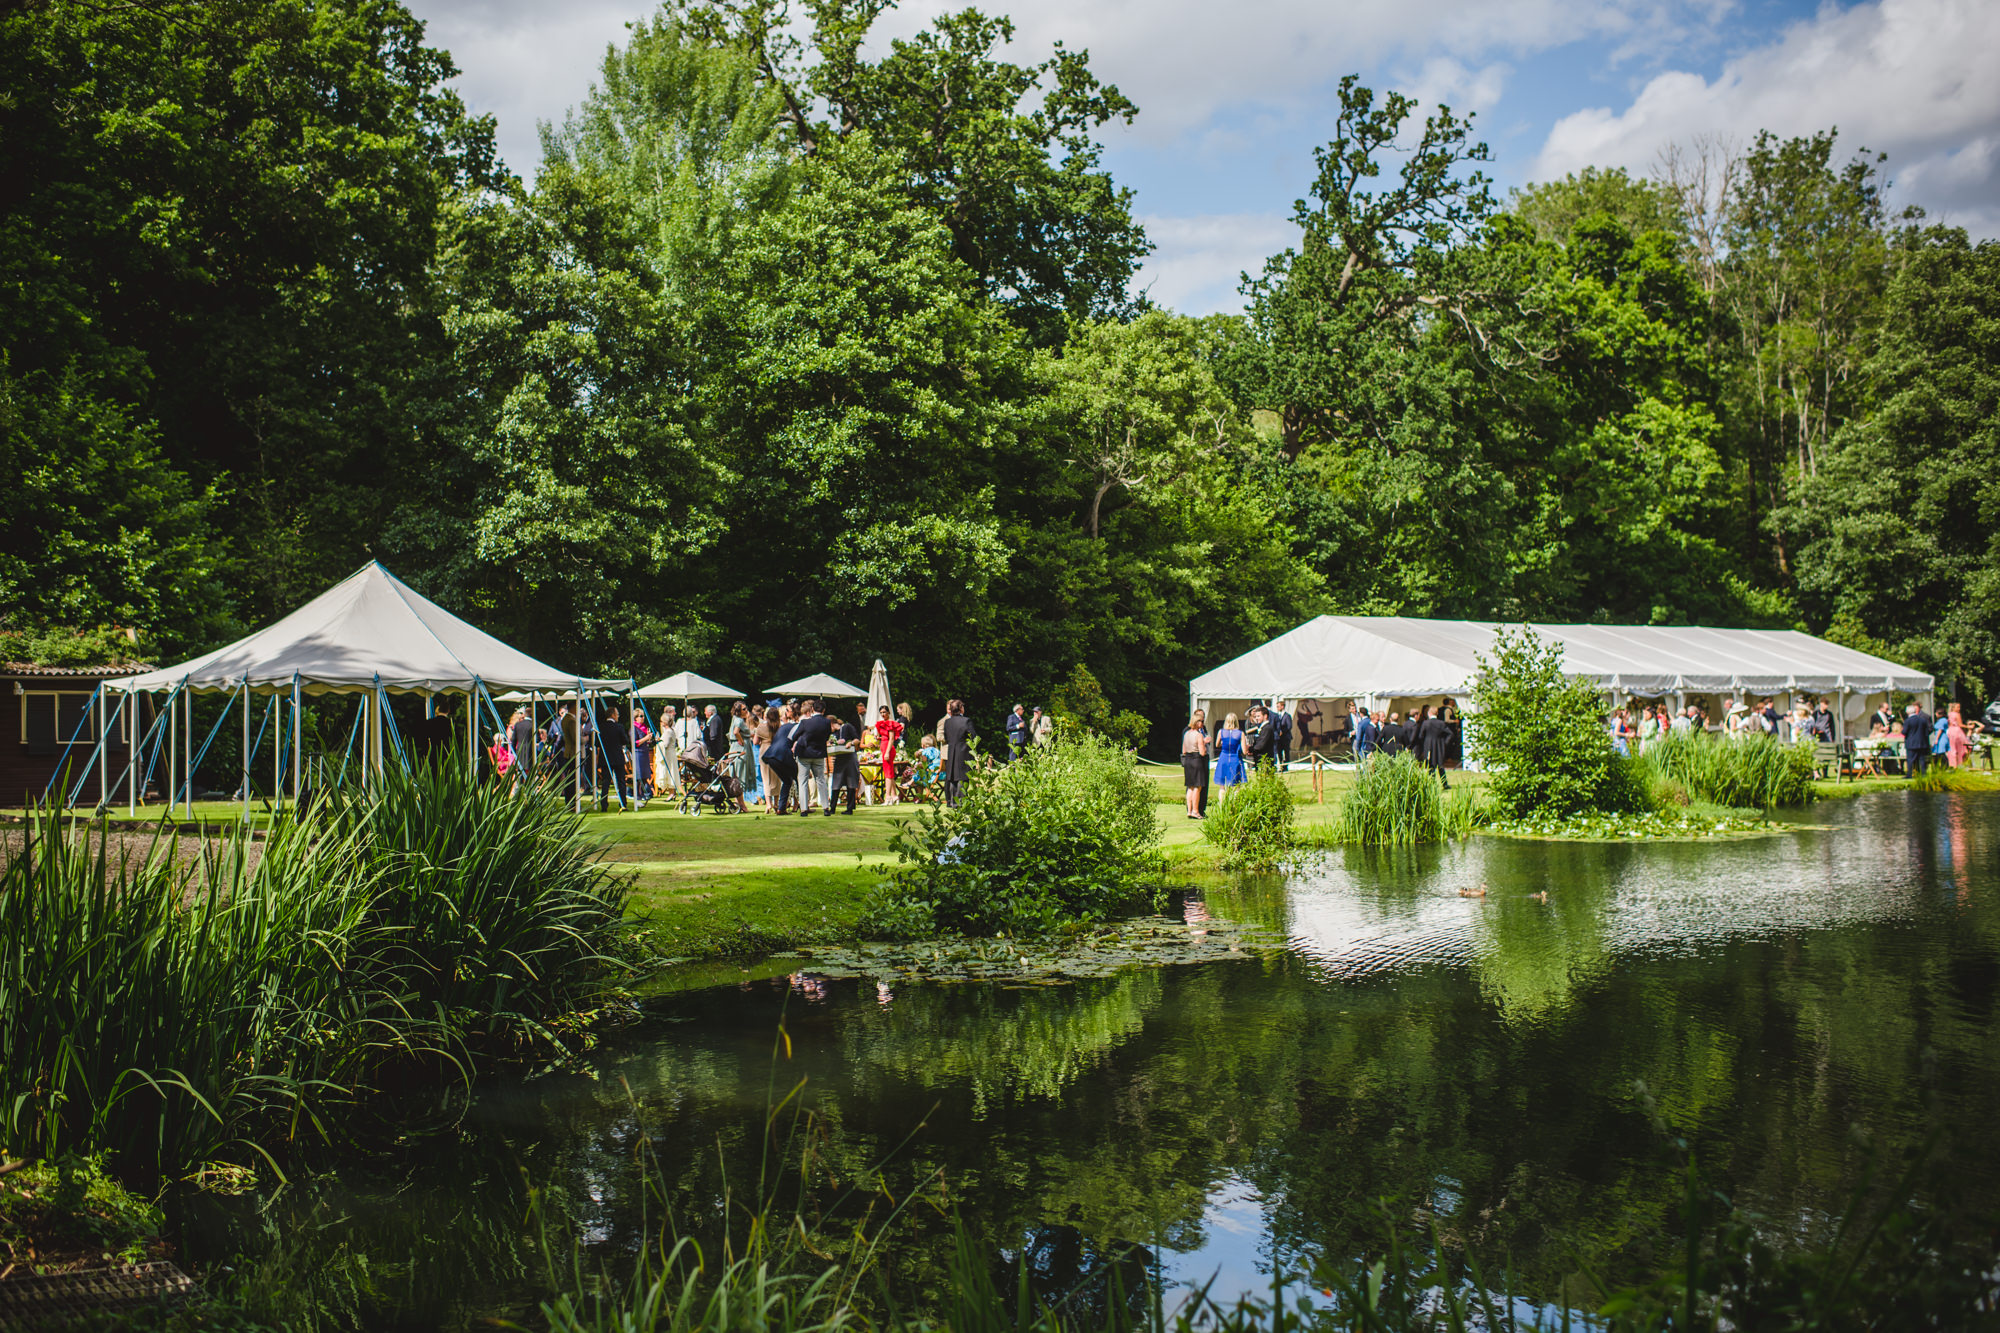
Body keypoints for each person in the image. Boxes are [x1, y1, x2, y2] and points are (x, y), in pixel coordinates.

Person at [791, 700, 832, 814]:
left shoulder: (805, 722)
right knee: (821, 780)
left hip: (804, 754)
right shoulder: (827, 722)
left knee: (803, 781)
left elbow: (795, 736)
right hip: (819, 754)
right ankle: (825, 807)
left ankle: (804, 808)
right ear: (823, 710)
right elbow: (827, 736)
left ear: (812, 709)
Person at [940, 699, 977, 807]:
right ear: (961, 709)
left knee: (952, 777)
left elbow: (946, 737)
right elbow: (973, 737)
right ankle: (962, 801)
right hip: (964, 751)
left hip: (951, 751)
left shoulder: (947, 722)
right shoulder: (966, 721)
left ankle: (952, 801)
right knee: (963, 777)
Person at [826, 707, 862, 814]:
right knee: (836, 783)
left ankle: (850, 808)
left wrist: (850, 743)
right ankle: (832, 808)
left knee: (851, 783)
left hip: (850, 758)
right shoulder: (833, 734)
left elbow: (857, 740)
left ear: (832, 723)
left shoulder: (847, 727)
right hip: (839, 759)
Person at [763, 705, 798, 814]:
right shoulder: (797, 727)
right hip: (782, 756)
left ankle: (781, 808)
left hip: (770, 756)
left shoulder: (783, 727)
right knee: (799, 777)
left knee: (787, 781)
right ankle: (803, 806)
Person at [725, 702, 754, 813]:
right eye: (744, 709)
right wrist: (741, 741)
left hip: (735, 747)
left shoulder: (736, 719)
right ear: (738, 710)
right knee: (740, 776)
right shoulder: (738, 720)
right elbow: (736, 732)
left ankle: (739, 803)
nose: (747, 711)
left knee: (736, 775)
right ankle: (742, 804)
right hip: (740, 749)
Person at [1180, 711, 1210, 819]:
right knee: (1198, 786)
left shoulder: (1186, 734)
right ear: (1196, 723)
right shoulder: (1198, 735)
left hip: (1187, 760)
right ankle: (1195, 811)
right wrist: (1205, 747)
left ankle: (1189, 809)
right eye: (1201, 721)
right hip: (1197, 760)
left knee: (1190, 787)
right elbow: (1202, 752)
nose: (1202, 723)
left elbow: (1183, 750)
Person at [874, 705, 904, 803]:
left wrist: (887, 752)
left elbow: (891, 739)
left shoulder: (890, 723)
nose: (883, 714)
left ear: (888, 712)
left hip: (888, 748)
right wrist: (879, 738)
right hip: (884, 746)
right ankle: (894, 795)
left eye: (884, 712)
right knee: (889, 773)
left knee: (888, 774)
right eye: (881, 712)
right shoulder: (882, 723)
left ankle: (888, 797)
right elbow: (885, 737)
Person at [1417, 706, 1453, 787]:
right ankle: (1444, 783)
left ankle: (1431, 783)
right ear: (1437, 713)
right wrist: (1445, 743)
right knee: (1440, 765)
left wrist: (1425, 742)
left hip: (1429, 746)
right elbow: (1450, 733)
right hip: (1439, 746)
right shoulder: (1441, 723)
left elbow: (1421, 735)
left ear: (1429, 713)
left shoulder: (1426, 723)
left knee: (1430, 765)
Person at [507, 707, 538, 795]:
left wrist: (513, 752)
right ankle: (532, 792)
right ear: (532, 714)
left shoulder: (518, 724)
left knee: (519, 772)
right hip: (530, 751)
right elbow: (537, 738)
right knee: (530, 772)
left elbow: (513, 740)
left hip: (519, 751)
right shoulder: (533, 725)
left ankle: (516, 792)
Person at [1213, 712, 1246, 788]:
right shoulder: (1241, 733)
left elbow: (1217, 745)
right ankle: (1234, 800)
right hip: (1235, 758)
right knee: (1236, 785)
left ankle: (1222, 800)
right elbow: (1244, 751)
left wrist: (1223, 743)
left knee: (1222, 786)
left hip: (1224, 757)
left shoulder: (1221, 732)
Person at [655, 706, 681, 798]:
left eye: (661, 721)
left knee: (671, 772)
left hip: (669, 755)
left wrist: (658, 741)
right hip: (670, 754)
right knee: (670, 772)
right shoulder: (669, 731)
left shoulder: (668, 732)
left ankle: (672, 793)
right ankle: (671, 793)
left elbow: (664, 744)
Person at [1902, 701, 1933, 778]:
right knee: (1921, 759)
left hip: (1911, 743)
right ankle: (1923, 774)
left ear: (1907, 712)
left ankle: (1909, 774)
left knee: (1910, 759)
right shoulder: (1922, 720)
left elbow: (1904, 732)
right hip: (1922, 743)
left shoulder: (1908, 721)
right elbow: (1926, 731)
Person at [1947, 702, 1971, 768]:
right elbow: (1960, 724)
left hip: (1950, 730)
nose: (1959, 709)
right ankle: (1960, 763)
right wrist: (1968, 727)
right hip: (1957, 731)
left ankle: (1952, 763)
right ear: (1953, 708)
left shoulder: (1949, 714)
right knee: (1962, 747)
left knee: (1952, 748)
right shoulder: (1957, 714)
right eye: (1958, 707)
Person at [1272, 701, 1293, 768]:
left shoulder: (1287, 716)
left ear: (1282, 706)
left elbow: (1289, 726)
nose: (1277, 708)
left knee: (1286, 752)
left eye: (1278, 706)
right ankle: (1281, 765)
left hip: (1286, 737)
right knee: (1279, 752)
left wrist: (1282, 731)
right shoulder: (1277, 716)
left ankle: (1286, 766)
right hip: (1279, 738)